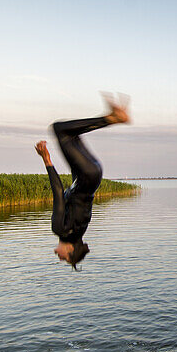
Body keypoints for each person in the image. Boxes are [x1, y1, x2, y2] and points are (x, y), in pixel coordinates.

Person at [35, 95, 130, 268]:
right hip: (86, 174)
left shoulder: (79, 231)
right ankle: (112, 118)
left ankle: (112, 117)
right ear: (70, 249)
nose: (59, 256)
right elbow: (58, 192)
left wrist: (73, 166)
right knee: (59, 130)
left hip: (93, 173)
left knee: (70, 134)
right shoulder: (60, 230)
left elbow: (77, 195)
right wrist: (47, 160)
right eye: (64, 258)